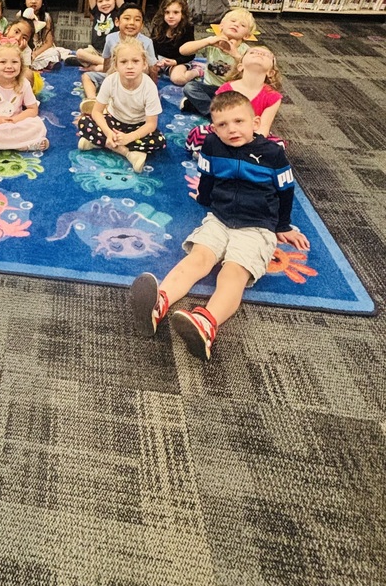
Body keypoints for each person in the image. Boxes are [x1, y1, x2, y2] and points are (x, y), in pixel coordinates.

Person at [130, 90, 310, 361]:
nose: (232, 130)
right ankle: (158, 304)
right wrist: (203, 198)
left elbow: (286, 192)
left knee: (233, 273)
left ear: (256, 123)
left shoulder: (273, 154)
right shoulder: (212, 146)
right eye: (223, 125)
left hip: (257, 226)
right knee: (197, 259)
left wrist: (282, 225)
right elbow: (207, 177)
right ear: (213, 128)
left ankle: (206, 323)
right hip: (220, 218)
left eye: (239, 122)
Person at [75, 38, 166, 173]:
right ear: (116, 65)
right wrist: (108, 132)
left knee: (160, 141)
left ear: (144, 64)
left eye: (135, 61)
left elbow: (151, 124)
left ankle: (98, 142)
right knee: (83, 122)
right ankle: (128, 153)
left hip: (137, 126)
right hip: (114, 121)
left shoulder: (149, 87)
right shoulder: (110, 81)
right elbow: (97, 112)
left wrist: (129, 137)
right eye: (123, 62)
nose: (129, 66)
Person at [185, 45, 284, 152]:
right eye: (253, 52)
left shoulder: (273, 96)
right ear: (240, 66)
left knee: (278, 145)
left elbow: (264, 127)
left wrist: (248, 144)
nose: (259, 54)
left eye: (266, 55)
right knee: (198, 133)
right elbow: (219, 120)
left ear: (271, 72)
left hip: (252, 134)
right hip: (226, 130)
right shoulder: (226, 88)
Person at [179, 7, 256, 115]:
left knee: (249, 101)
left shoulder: (245, 50)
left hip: (232, 92)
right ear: (221, 26)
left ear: (247, 35)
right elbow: (183, 50)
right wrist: (207, 41)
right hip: (210, 89)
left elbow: (253, 74)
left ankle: (200, 107)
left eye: (242, 25)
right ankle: (217, 114)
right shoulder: (213, 43)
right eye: (233, 21)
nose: (236, 25)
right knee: (190, 87)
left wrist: (235, 55)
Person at [80, 2, 157, 105]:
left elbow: (153, 68)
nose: (132, 23)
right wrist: (107, 81)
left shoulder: (147, 42)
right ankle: (92, 100)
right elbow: (107, 60)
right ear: (117, 22)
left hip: (135, 79)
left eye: (137, 20)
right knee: (87, 77)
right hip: (114, 76)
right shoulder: (110, 38)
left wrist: (153, 90)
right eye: (127, 18)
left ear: (142, 25)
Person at [68, 0, 126, 69]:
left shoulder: (118, 12)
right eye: (100, 1)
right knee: (80, 52)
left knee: (101, 66)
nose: (104, 3)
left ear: (114, 0)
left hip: (112, 53)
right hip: (95, 51)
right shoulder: (97, 12)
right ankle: (103, 65)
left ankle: (97, 66)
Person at [148, 0, 198, 84]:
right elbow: (152, 46)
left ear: (183, 14)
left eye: (175, 12)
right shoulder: (158, 25)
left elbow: (190, 54)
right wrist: (155, 60)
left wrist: (175, 61)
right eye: (167, 12)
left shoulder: (187, 28)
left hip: (178, 60)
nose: (171, 16)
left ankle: (196, 71)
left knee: (178, 79)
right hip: (160, 59)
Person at [16, 0, 60, 71]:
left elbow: (49, 42)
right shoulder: (20, 15)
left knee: (54, 53)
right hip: (25, 47)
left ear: (43, 1)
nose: (33, 1)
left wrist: (35, 53)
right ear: (25, 0)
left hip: (40, 49)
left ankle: (38, 65)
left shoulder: (46, 17)